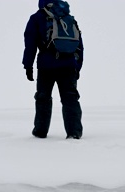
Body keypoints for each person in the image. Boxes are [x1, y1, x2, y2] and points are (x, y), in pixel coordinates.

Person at [23, 0, 84, 139]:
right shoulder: (68, 18)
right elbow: (80, 45)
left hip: (46, 66)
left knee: (43, 98)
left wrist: (28, 65)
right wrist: (77, 66)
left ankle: (40, 131)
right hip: (68, 66)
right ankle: (74, 132)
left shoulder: (36, 18)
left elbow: (30, 43)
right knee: (70, 98)